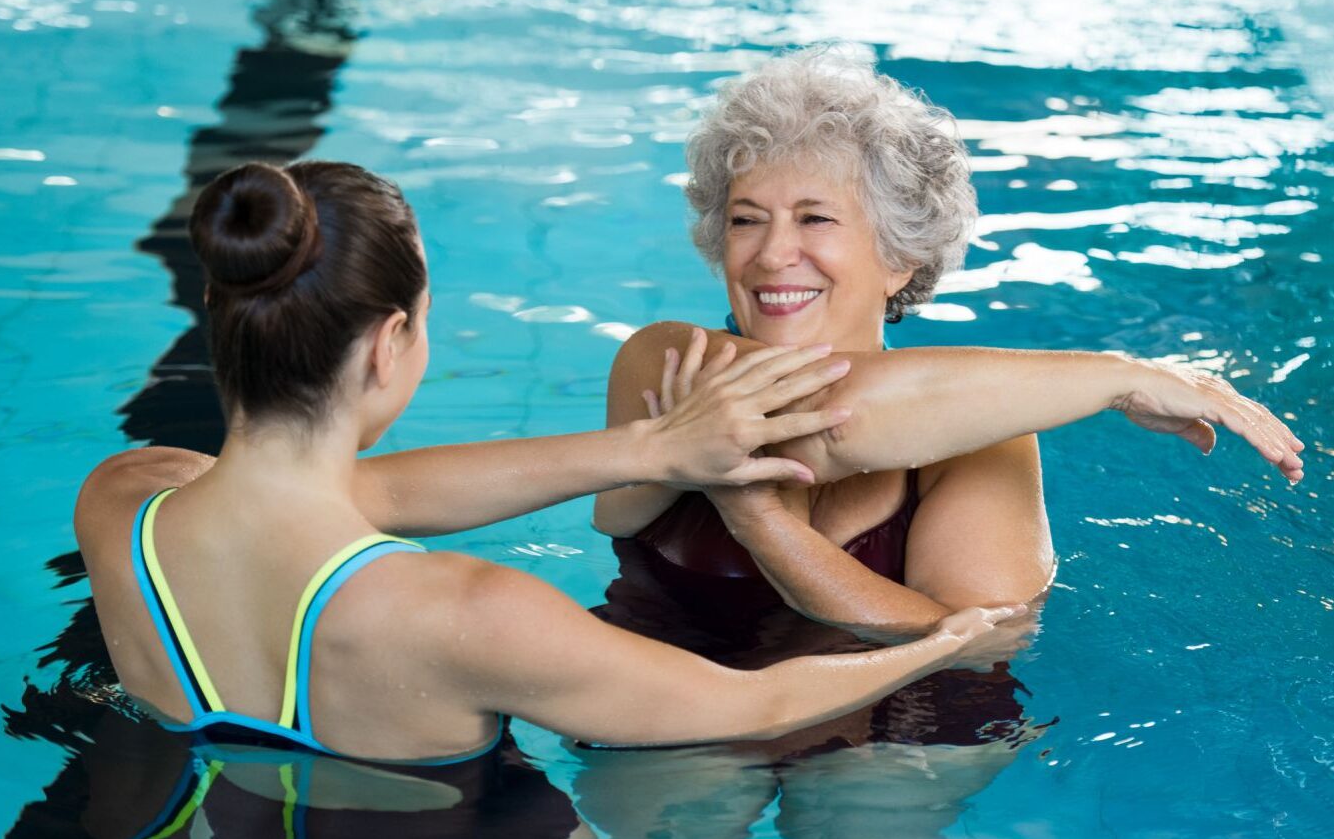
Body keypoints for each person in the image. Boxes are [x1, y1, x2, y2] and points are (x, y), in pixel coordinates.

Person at [579, 47, 1305, 839]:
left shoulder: (986, 435)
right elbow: (827, 414)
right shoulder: (665, 363)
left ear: (895, 260)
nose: (774, 254)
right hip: (679, 679)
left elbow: (976, 639)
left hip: (899, 714)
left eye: (815, 219)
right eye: (745, 220)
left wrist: (765, 525)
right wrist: (1113, 374)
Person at [74, 159, 1025, 771]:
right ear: (390, 344)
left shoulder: (122, 501)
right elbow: (759, 702)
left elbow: (350, 494)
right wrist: (945, 639)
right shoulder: (472, 615)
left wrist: (648, 452)